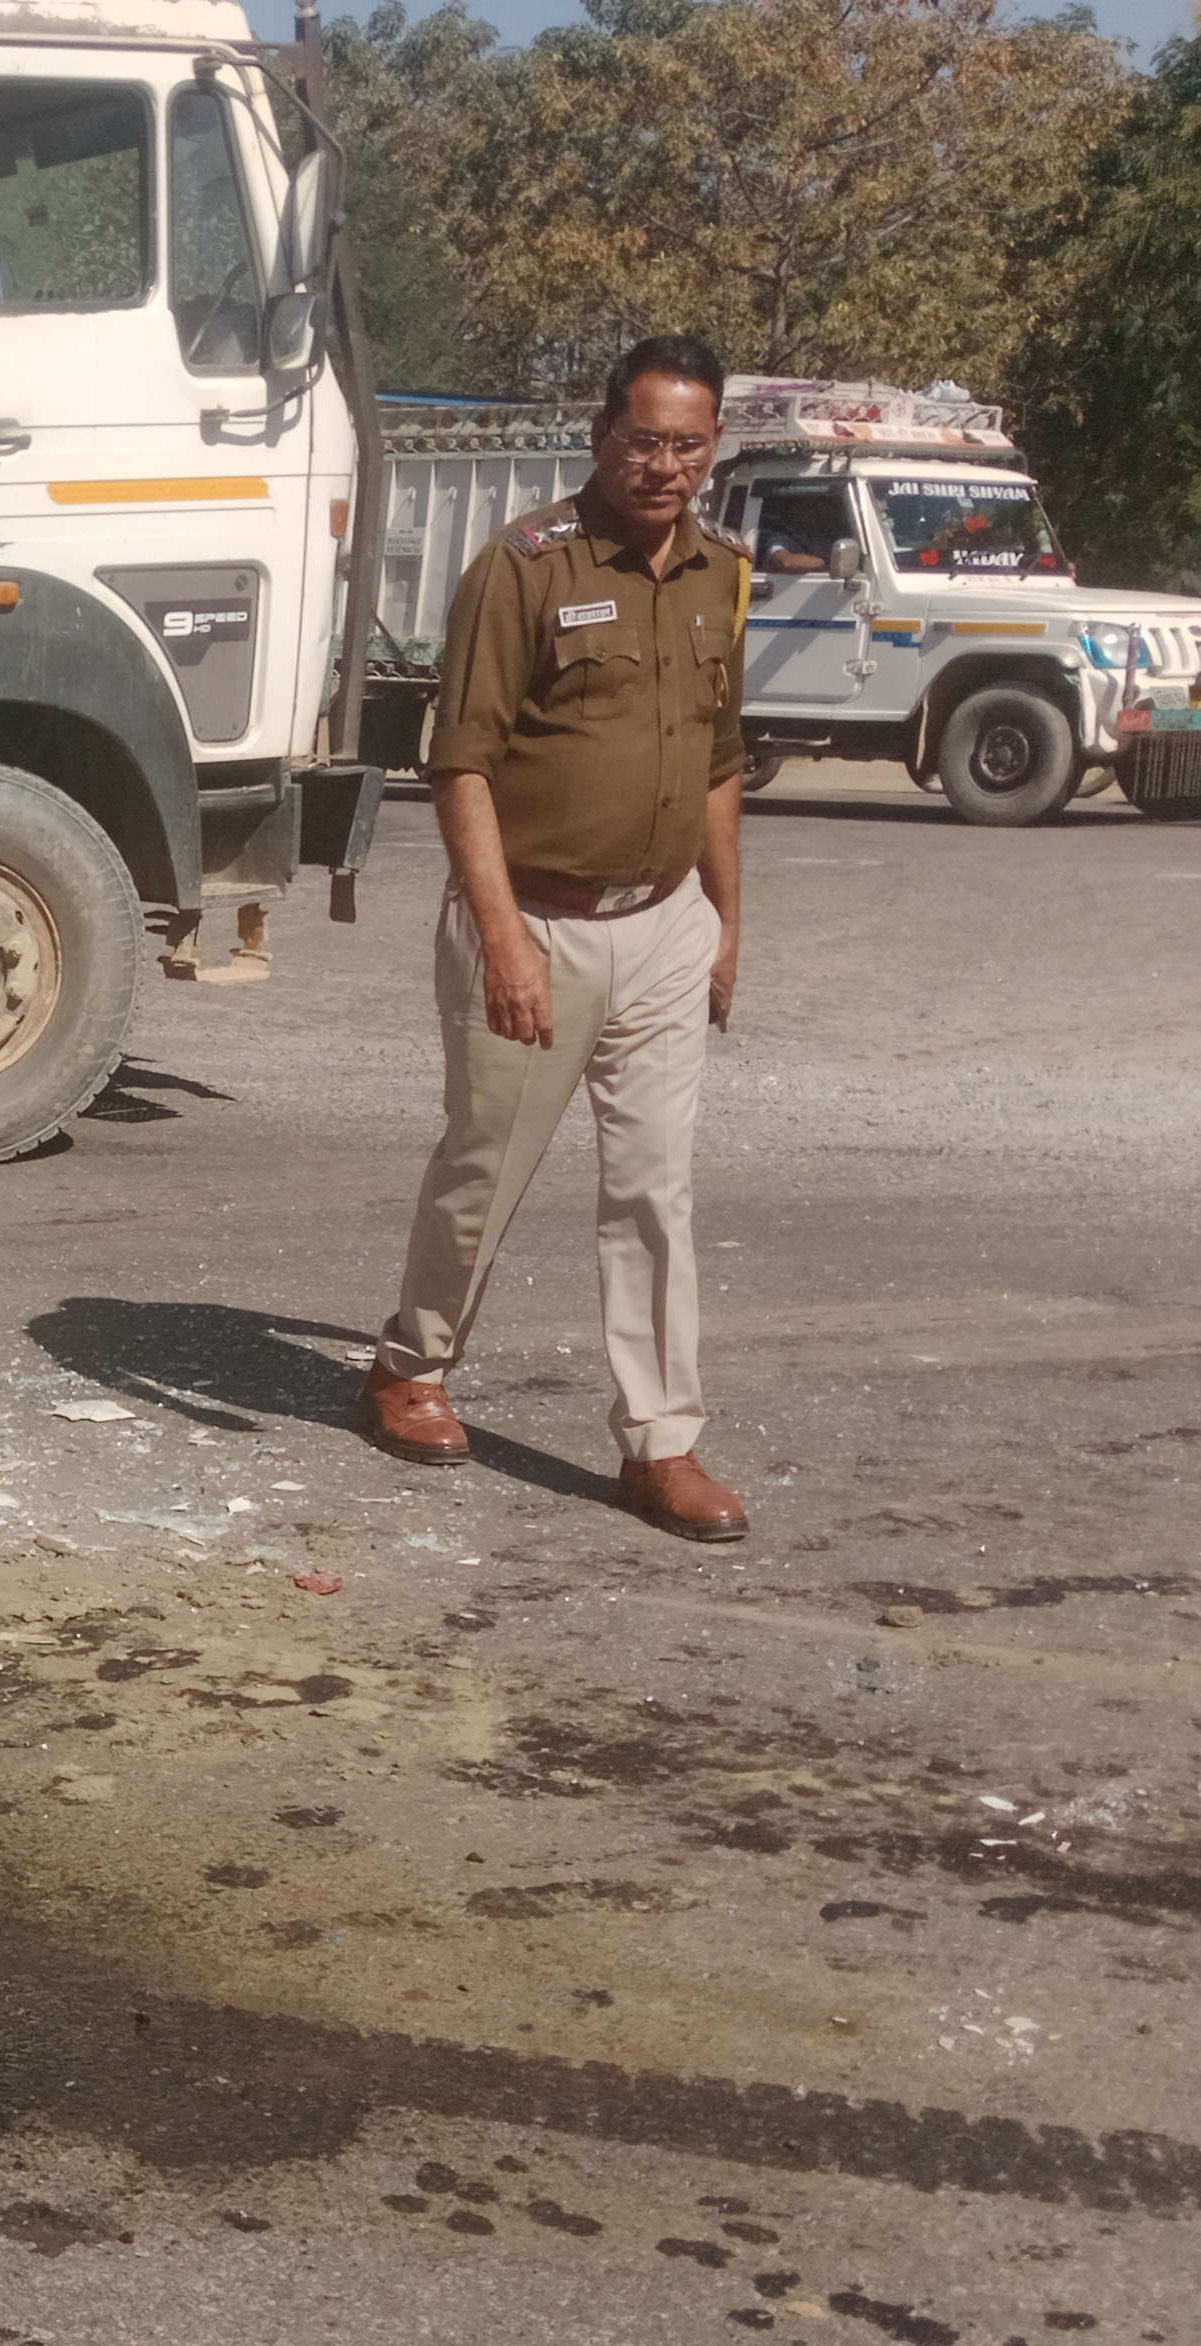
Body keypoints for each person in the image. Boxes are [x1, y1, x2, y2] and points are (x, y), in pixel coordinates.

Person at [360, 331, 752, 1544]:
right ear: (601, 436)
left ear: (713, 449)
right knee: (484, 1170)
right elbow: (460, 763)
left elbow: (720, 765)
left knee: (654, 1189)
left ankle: (662, 1442)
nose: (664, 466)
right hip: (535, 920)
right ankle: (411, 1365)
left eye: (688, 445)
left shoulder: (720, 577)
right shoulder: (524, 567)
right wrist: (503, 940)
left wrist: (726, 923)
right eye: (644, 441)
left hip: (663, 926)